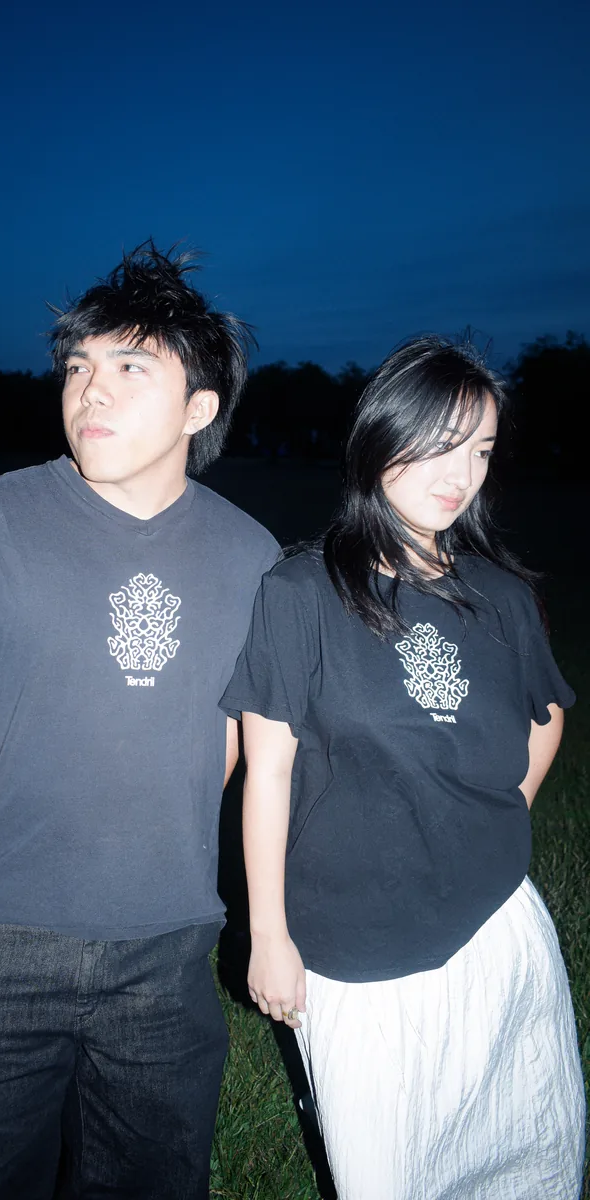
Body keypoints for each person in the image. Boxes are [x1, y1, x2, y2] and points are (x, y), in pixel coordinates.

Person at [0, 241, 279, 1200]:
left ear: (199, 408)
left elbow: (234, 736)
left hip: (168, 951)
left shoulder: (252, 558)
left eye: (132, 368)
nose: (93, 391)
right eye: (80, 367)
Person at [220, 337, 585, 1199]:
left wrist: (502, 810)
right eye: (441, 444)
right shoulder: (300, 593)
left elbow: (548, 713)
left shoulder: (501, 596)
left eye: (481, 450)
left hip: (494, 926)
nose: (462, 474)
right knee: (382, 1172)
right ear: (382, 436)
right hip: (354, 943)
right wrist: (269, 935)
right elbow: (267, 771)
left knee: (518, 1155)